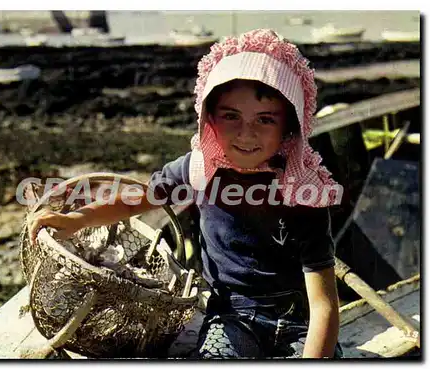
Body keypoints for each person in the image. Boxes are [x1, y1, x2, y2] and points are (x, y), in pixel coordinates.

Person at [28, 29, 343, 359]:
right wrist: (78, 218)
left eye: (265, 120)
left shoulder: (304, 195)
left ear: (290, 127)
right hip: (232, 319)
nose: (245, 133)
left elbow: (323, 306)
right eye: (230, 116)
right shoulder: (198, 170)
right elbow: (140, 198)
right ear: (208, 118)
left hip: (300, 322)